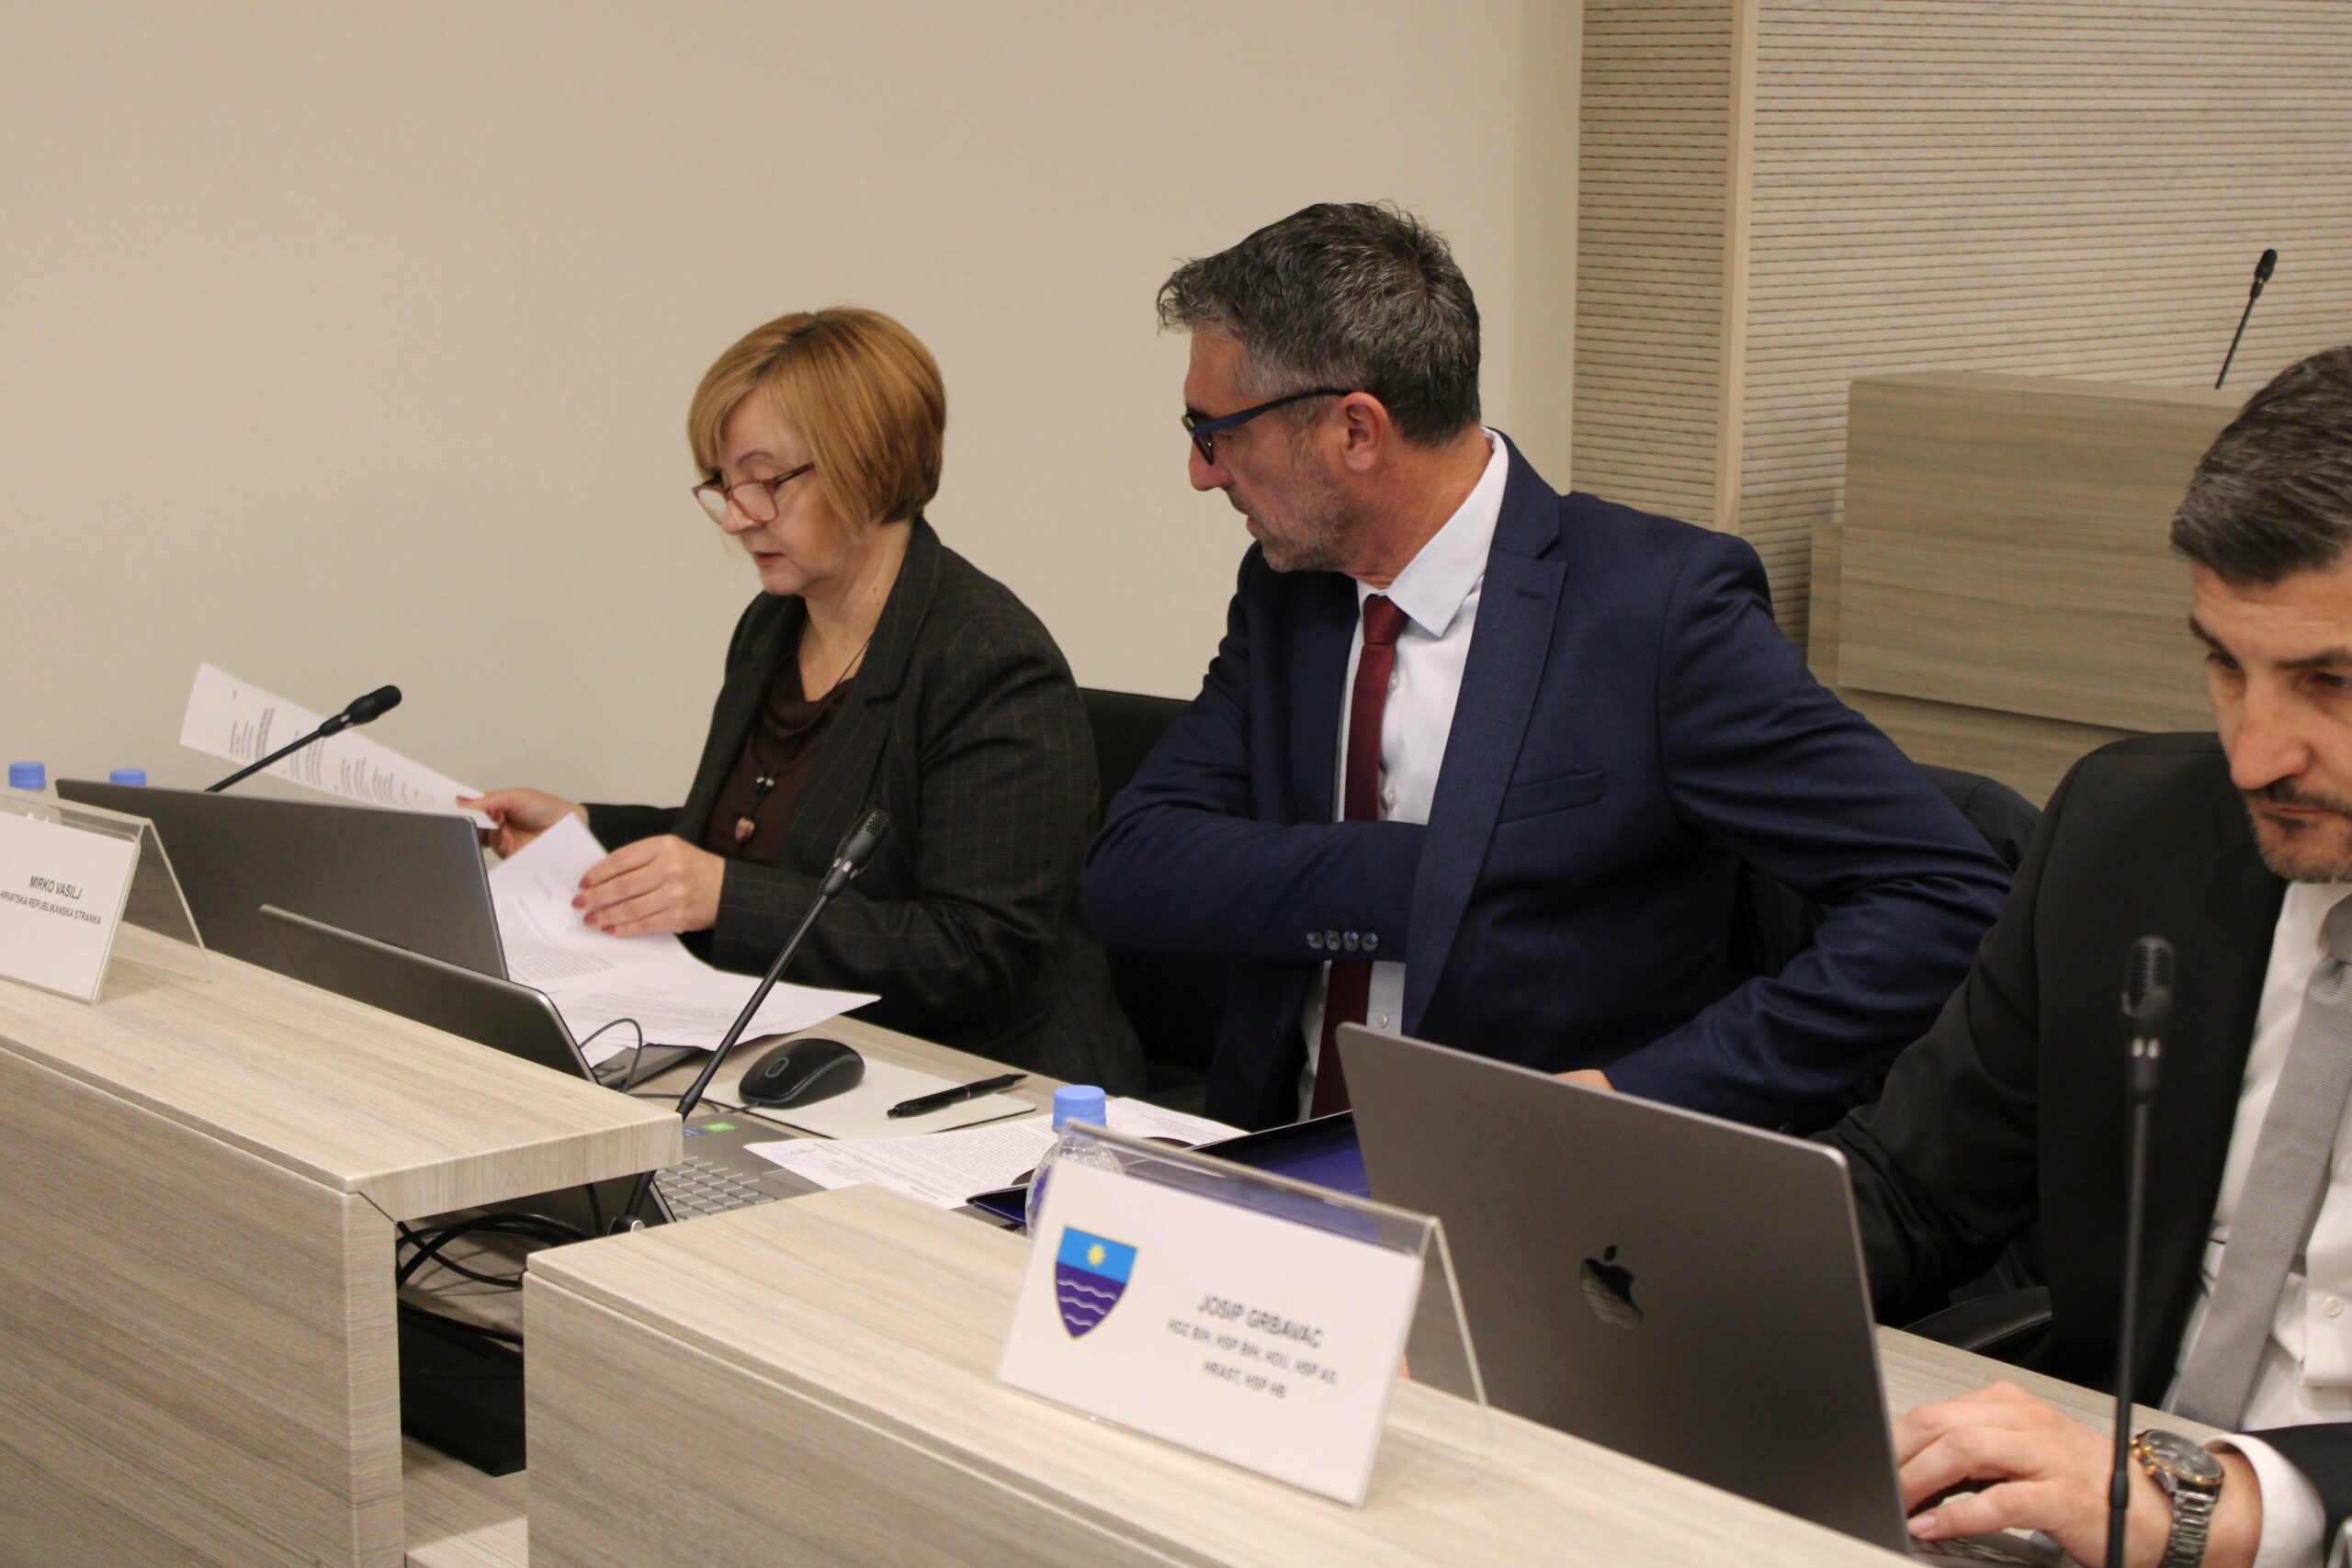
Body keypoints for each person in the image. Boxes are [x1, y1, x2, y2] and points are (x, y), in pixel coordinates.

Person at [1082, 201, 2012, 1132]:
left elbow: (1946, 895)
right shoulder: (1291, 593)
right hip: (1273, 1156)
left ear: (1356, 431)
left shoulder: (1656, 611)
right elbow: (1133, 868)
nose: (1202, 472)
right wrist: (1438, 876)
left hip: (1540, 1180)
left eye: (1216, 431)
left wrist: (1644, 1097)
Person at [1825, 347, 2352, 1568]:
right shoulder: (2131, 834)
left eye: (2329, 682)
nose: (2254, 753)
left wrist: (2227, 1501)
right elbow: (1914, 1187)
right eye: (2224, 664)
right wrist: (1629, 1276)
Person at [468, 307, 1141, 1090]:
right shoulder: (774, 626)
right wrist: (586, 833)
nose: (736, 515)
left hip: (983, 1091)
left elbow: (978, 953)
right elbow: (753, 848)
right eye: (724, 482)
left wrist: (726, 898)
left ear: (870, 465)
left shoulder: (988, 659)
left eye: (766, 482)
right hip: (798, 1061)